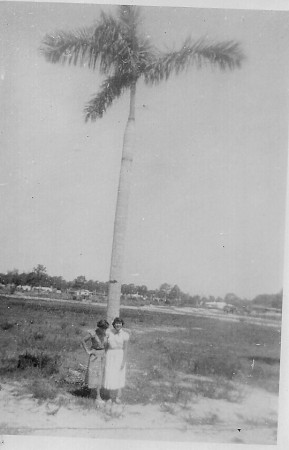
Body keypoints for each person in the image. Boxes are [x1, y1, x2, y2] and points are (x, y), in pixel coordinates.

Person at [82, 318, 109, 406]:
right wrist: (88, 351)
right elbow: (83, 340)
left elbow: (107, 345)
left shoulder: (106, 333)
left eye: (105, 328)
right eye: (102, 328)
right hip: (95, 356)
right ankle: (97, 396)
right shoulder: (93, 333)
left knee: (100, 376)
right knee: (95, 375)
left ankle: (93, 394)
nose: (104, 330)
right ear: (99, 327)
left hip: (103, 355)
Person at [103, 317, 129, 404]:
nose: (118, 325)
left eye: (120, 323)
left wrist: (123, 361)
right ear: (114, 324)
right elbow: (106, 346)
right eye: (116, 323)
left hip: (119, 356)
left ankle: (117, 397)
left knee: (119, 375)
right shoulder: (109, 333)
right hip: (110, 356)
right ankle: (110, 397)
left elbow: (125, 349)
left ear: (122, 324)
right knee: (110, 375)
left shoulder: (125, 335)